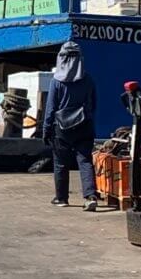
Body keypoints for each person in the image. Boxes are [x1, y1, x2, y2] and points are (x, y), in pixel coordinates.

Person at [42, 41, 98, 211]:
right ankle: (90, 196)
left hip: (62, 129)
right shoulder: (88, 79)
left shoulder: (56, 82)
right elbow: (93, 104)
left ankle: (62, 198)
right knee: (85, 161)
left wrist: (46, 130)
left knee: (60, 163)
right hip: (84, 126)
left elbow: (50, 109)